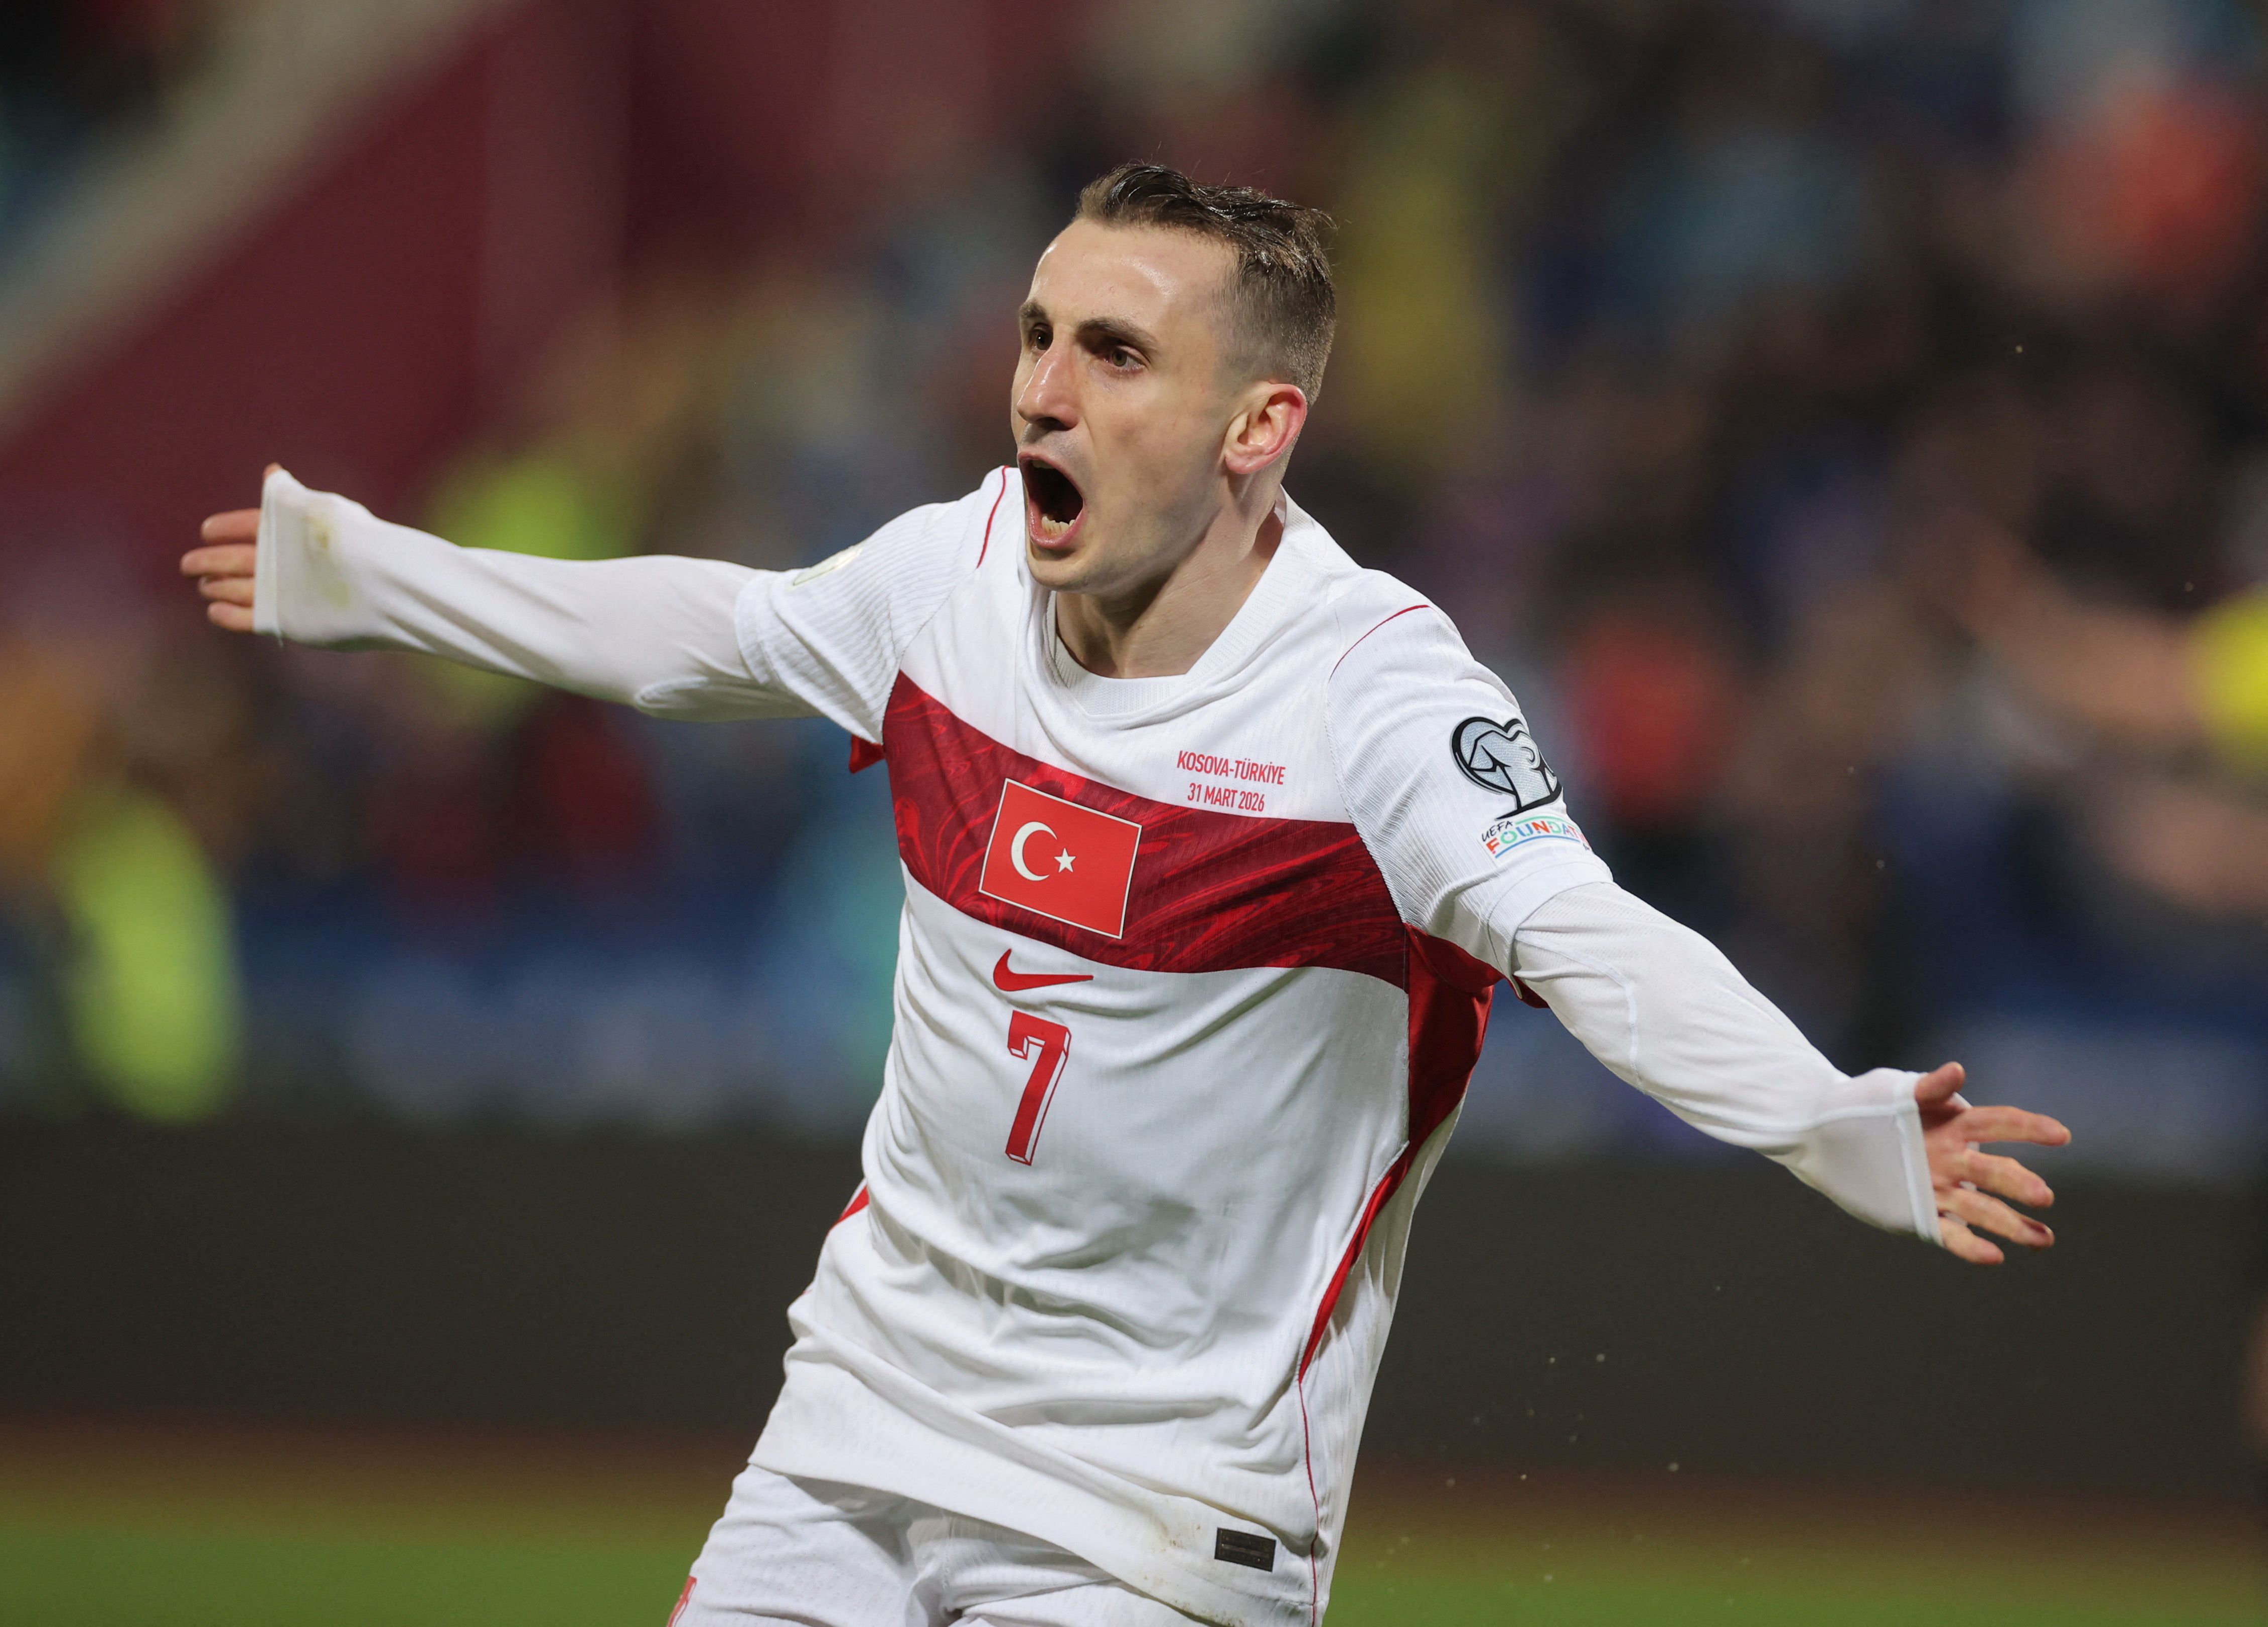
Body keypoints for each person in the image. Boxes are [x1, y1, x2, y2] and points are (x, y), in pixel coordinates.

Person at [181, 165, 2068, 1627]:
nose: (1041, 391)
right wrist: (366, 576)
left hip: (1159, 1507)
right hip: (859, 1418)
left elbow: (1586, 937)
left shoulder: (1376, 701)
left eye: (1116, 353)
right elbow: (719, 630)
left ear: (1258, 427)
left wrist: (1832, 1120)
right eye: (1037, 333)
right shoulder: (956, 576)